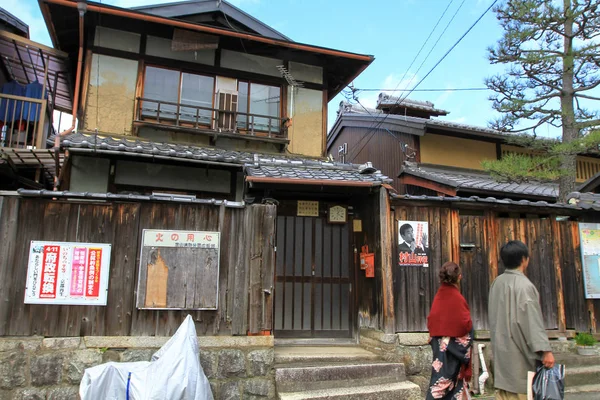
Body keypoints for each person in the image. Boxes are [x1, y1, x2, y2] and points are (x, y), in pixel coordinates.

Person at [488, 240, 555, 400]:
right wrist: (545, 350)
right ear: (524, 259)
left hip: (501, 358)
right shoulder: (524, 286)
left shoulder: (497, 282)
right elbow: (532, 322)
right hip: (520, 360)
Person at [426, 261, 473, 400]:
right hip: (454, 348)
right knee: (448, 382)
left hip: (441, 347)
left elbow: (432, 320)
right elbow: (465, 324)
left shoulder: (439, 296)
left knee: (439, 381)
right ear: (459, 277)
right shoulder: (457, 297)